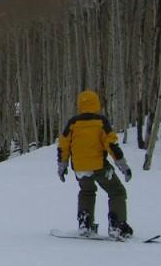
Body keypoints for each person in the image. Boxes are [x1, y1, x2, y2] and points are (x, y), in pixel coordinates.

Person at [57, 90, 134, 239]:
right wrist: (123, 167)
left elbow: (63, 145)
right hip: (99, 166)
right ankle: (117, 225)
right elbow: (112, 145)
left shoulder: (73, 123)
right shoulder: (101, 122)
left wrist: (62, 167)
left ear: (80, 105)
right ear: (96, 104)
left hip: (80, 168)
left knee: (87, 192)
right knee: (117, 192)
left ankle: (85, 223)